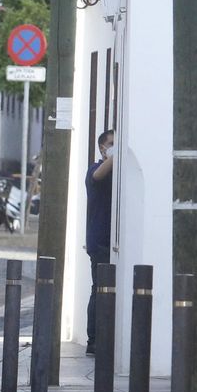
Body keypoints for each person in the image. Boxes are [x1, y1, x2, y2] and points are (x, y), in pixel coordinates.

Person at [85, 128, 116, 355]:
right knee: (99, 289)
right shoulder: (95, 170)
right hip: (99, 241)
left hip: (111, 240)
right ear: (102, 147)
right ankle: (93, 340)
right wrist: (115, 155)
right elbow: (98, 176)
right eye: (112, 143)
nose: (115, 146)